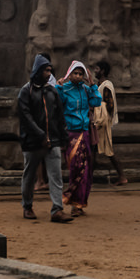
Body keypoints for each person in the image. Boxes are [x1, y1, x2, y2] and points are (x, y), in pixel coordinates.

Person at [16, 55, 69, 224]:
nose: (49, 73)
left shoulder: (51, 91)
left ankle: (57, 209)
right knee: (30, 175)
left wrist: (63, 137)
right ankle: (27, 206)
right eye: (46, 70)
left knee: (56, 175)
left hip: (52, 139)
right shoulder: (26, 91)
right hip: (33, 141)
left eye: (49, 70)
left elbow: (59, 116)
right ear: (38, 71)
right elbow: (26, 117)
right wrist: (40, 135)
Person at [55, 61, 99, 216]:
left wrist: (93, 85)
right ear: (69, 74)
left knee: (86, 170)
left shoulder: (86, 90)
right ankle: (71, 199)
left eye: (81, 74)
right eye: (75, 73)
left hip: (84, 132)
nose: (78, 76)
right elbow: (57, 104)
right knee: (76, 168)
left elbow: (97, 102)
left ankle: (78, 205)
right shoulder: (65, 89)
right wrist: (59, 88)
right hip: (71, 134)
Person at [91, 62, 126, 187]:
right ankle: (88, 178)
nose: (95, 71)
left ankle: (122, 176)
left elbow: (109, 105)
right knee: (94, 150)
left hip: (102, 123)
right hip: (98, 122)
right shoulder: (99, 85)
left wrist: (101, 119)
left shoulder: (106, 86)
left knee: (108, 150)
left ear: (103, 71)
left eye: (97, 69)